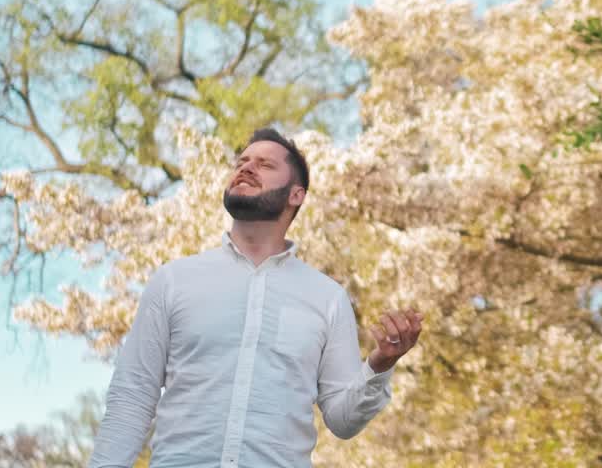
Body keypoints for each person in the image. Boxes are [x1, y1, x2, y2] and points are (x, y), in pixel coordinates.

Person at [89, 127, 422, 467]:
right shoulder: (174, 281)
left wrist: (379, 365)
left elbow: (343, 420)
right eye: (242, 161)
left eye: (265, 164)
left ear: (296, 195)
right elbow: (133, 395)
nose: (246, 168)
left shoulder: (328, 299)